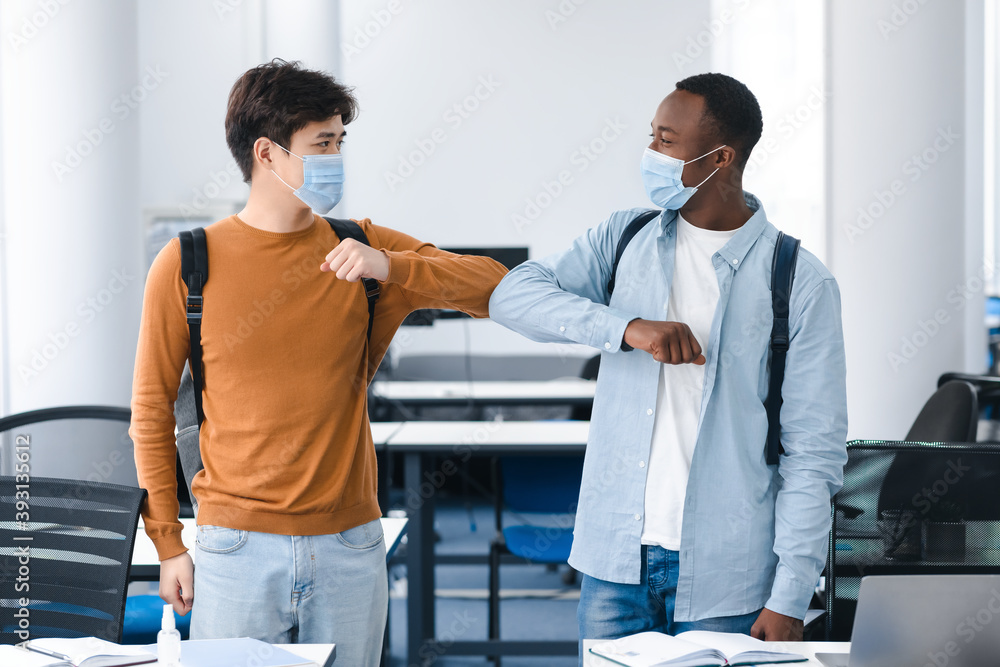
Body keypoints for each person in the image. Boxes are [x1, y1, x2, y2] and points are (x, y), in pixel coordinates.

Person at [129, 59, 508, 664]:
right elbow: (150, 410)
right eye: (322, 143)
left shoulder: (358, 245)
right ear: (267, 154)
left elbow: (496, 288)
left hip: (350, 545)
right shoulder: (187, 263)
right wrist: (168, 542)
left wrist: (392, 266)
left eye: (340, 141)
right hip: (234, 549)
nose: (336, 158)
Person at [487, 73, 848, 659]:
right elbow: (512, 297)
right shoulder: (623, 237)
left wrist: (790, 595)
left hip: (730, 574)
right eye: (652, 138)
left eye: (665, 140)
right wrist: (625, 327)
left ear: (721, 157)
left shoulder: (799, 281)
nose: (650, 155)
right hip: (614, 563)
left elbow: (814, 454)